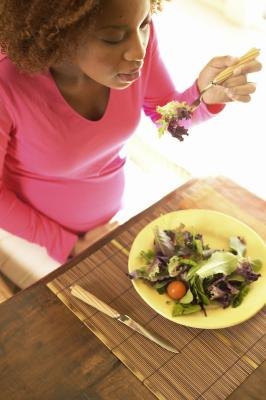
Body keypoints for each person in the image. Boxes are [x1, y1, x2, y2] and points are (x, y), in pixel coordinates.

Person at [0, 0, 262, 289]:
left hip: (109, 222)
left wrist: (204, 95)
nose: (139, 50)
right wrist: (69, 244)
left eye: (145, 23)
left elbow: (165, 114)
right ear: (57, 33)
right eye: (113, 37)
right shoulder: (6, 86)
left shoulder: (134, 43)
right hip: (39, 241)